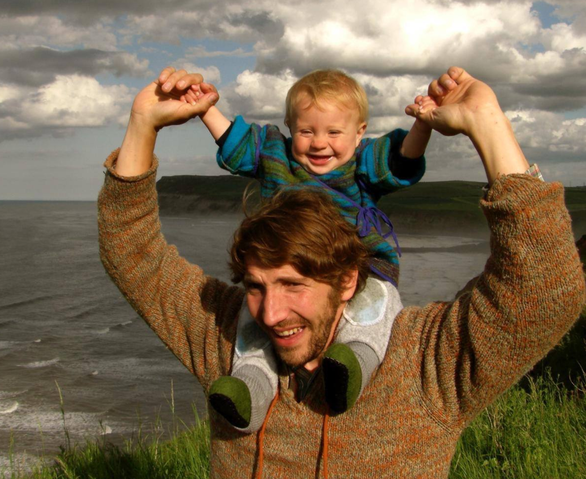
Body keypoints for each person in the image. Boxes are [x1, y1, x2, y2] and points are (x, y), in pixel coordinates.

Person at [98, 66, 586, 478]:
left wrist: (487, 123)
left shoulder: (422, 366)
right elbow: (132, 253)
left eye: (293, 284)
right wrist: (144, 122)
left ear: (348, 281)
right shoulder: (224, 339)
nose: (270, 313)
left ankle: (354, 360)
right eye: (254, 285)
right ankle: (253, 384)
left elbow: (543, 289)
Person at [181, 70, 432, 432]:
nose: (319, 144)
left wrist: (423, 127)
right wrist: (205, 109)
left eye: (334, 132)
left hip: (360, 261)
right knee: (258, 316)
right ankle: (250, 386)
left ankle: (354, 362)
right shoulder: (275, 155)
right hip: (287, 265)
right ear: (289, 126)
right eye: (306, 131)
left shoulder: (363, 164)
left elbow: (402, 160)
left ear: (359, 133)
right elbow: (236, 144)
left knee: (377, 301)